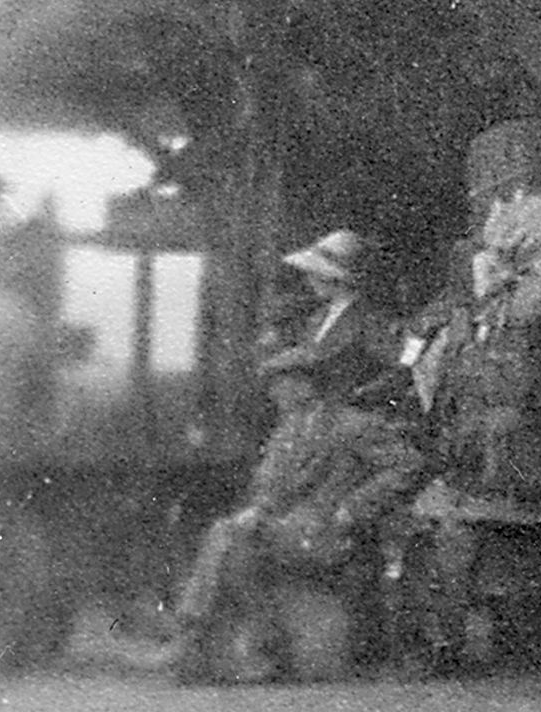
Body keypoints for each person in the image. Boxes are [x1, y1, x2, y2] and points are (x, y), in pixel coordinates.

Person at [170, 257, 429, 685]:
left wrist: (353, 508)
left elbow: (407, 465)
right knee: (233, 542)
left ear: (306, 385)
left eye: (285, 385)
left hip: (327, 532)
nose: (278, 394)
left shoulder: (350, 425)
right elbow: (272, 488)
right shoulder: (285, 434)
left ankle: (200, 639)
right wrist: (259, 510)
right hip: (289, 530)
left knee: (229, 539)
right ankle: (251, 648)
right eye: (275, 386)